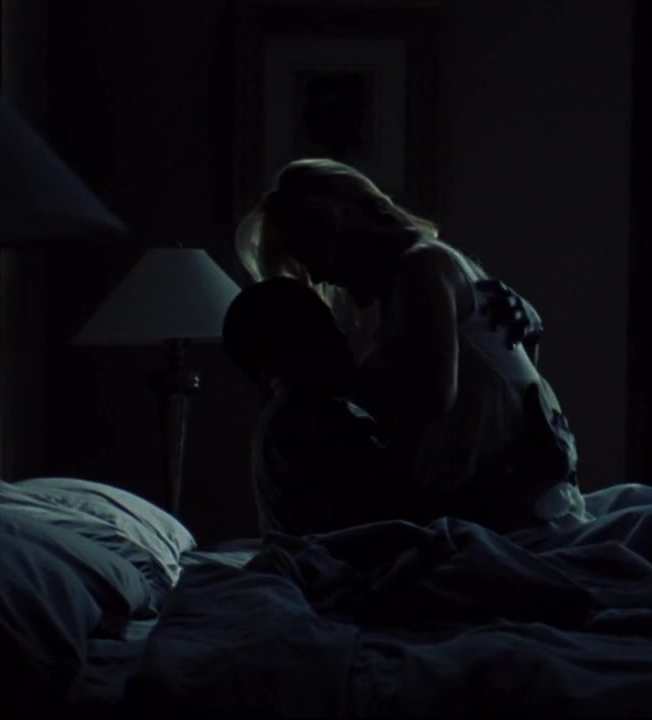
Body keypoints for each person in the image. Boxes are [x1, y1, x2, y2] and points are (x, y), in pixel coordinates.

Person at [235, 158, 584, 532]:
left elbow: (432, 396)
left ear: (338, 226)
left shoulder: (422, 267)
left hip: (495, 508)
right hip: (503, 496)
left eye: (311, 253)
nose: (319, 275)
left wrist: (333, 383)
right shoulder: (430, 267)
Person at [224, 276, 571, 536]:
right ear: (272, 368)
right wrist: (524, 479)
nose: (340, 338)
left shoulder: (313, 415)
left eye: (332, 325)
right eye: (318, 334)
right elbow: (407, 518)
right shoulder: (301, 429)